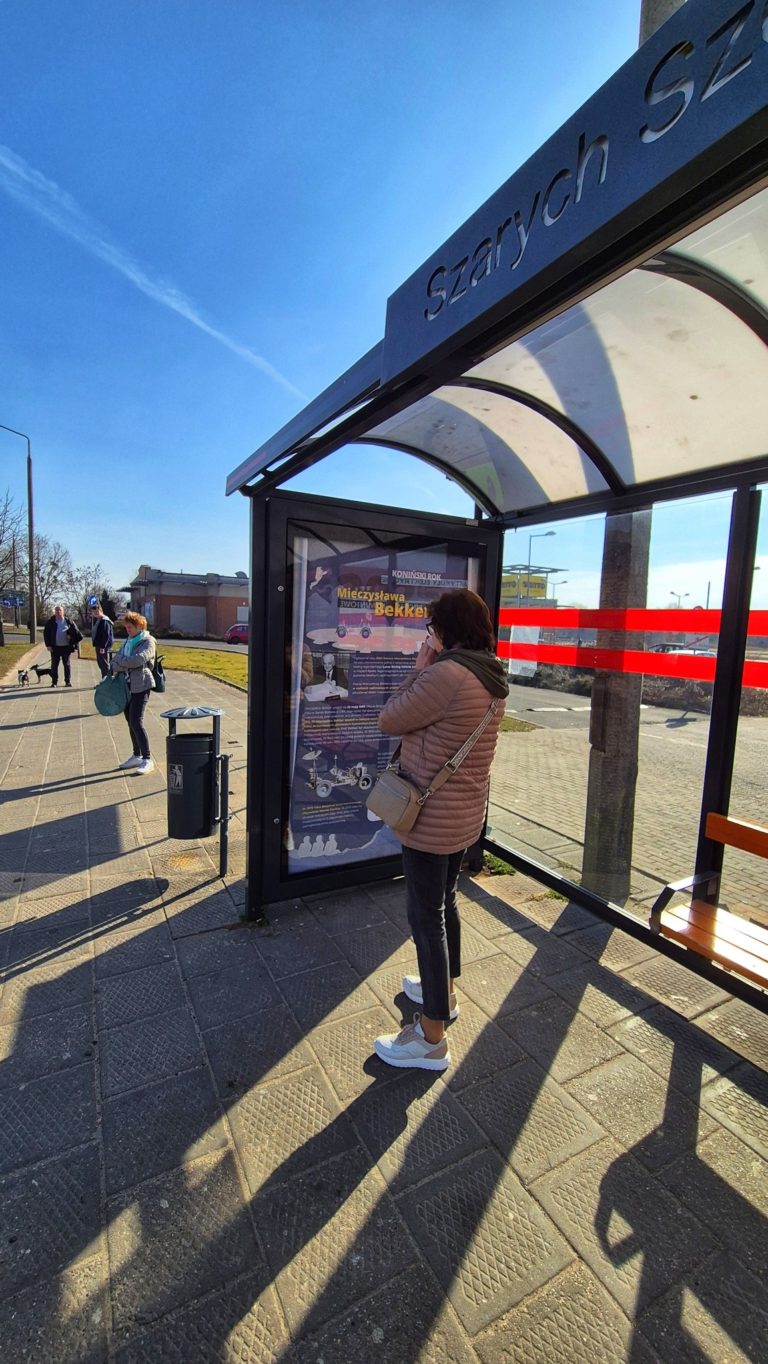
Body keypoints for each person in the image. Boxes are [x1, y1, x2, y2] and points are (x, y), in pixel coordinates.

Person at [372, 589, 508, 1072]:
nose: (428, 633)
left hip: (430, 819)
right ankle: (444, 993)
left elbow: (390, 718)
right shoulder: (490, 672)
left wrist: (422, 664)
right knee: (444, 904)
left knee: (425, 918)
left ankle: (430, 1038)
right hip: (462, 814)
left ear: (444, 629)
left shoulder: (448, 674)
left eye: (432, 626)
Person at [111, 611, 157, 775]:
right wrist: (124, 664)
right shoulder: (128, 641)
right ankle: (136, 755)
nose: (128, 630)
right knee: (129, 720)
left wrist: (121, 663)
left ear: (139, 626)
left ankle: (147, 759)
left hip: (141, 685)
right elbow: (114, 660)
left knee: (136, 721)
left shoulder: (148, 641)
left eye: (130, 627)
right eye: (126, 627)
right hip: (126, 686)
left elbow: (138, 660)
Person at [43, 605, 83, 688]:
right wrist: (48, 645)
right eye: (57, 610)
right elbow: (46, 634)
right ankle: (54, 682)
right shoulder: (51, 622)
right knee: (54, 665)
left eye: (60, 610)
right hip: (54, 647)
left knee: (67, 665)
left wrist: (71, 638)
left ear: (63, 612)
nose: (58, 612)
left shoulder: (68, 621)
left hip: (66, 647)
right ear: (54, 612)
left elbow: (77, 633)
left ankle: (67, 682)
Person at [91, 603, 114, 679]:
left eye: (97, 612)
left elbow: (106, 635)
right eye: (94, 612)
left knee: (104, 664)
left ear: (101, 611)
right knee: (101, 663)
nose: (95, 614)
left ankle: (107, 681)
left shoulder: (104, 621)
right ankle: (104, 680)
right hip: (99, 645)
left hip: (103, 646)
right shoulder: (99, 620)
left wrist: (103, 647)